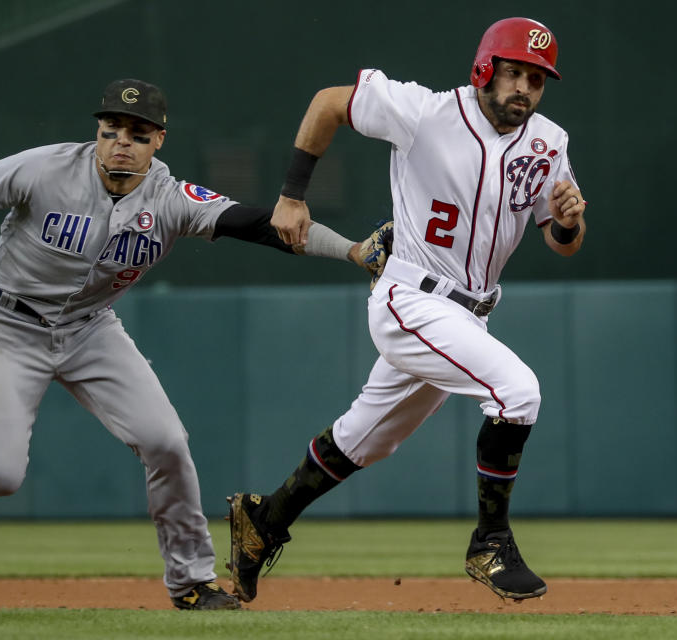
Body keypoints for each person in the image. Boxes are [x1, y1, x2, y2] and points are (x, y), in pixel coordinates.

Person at [0, 78, 378, 611]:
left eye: (137, 134)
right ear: (96, 133)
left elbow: (261, 225)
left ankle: (192, 582)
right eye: (111, 130)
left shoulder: (170, 198)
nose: (122, 142)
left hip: (88, 328)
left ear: (159, 140)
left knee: (166, 441)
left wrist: (352, 250)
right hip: (5, 320)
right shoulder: (44, 168)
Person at [227, 17, 586, 603]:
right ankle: (490, 542)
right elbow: (327, 104)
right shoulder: (424, 111)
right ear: (484, 69)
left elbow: (561, 239)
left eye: (537, 78)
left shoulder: (550, 143)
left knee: (364, 439)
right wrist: (292, 196)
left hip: (469, 315)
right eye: (514, 71)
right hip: (410, 298)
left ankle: (262, 523)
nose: (524, 87)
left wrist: (570, 223)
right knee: (518, 393)